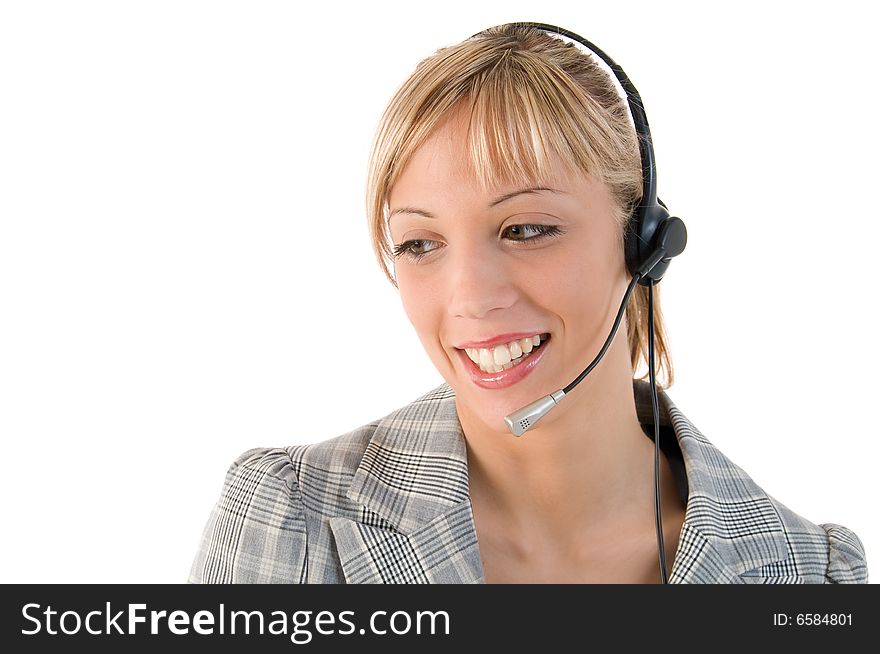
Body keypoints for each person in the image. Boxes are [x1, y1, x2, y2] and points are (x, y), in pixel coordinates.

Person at [188, 22, 868, 584]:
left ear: (643, 243)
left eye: (526, 230)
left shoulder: (810, 573)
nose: (472, 298)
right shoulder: (293, 523)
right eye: (422, 244)